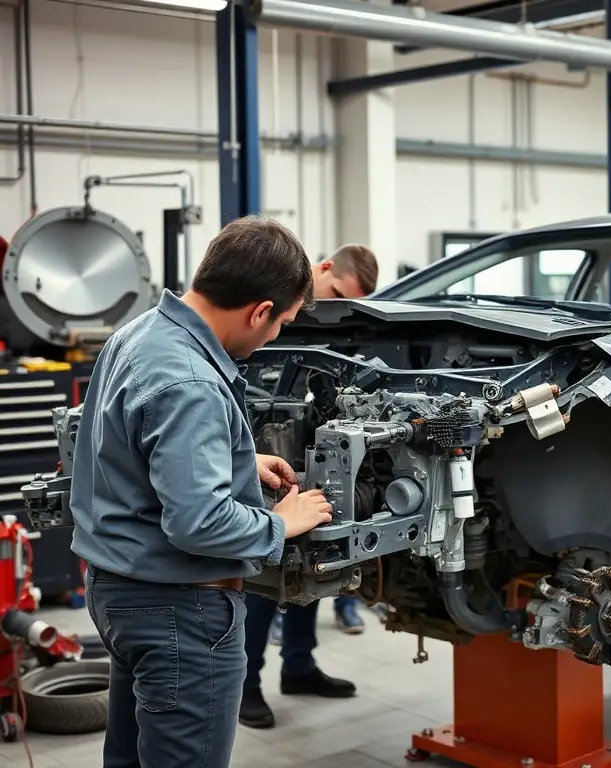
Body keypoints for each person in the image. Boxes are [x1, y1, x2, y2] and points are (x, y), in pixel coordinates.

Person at [73, 215, 334, 768]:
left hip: (118, 591)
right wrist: (282, 522)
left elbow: (122, 446)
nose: (276, 335)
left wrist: (237, 457)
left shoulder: (139, 334)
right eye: (282, 321)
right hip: (178, 609)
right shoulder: (190, 380)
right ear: (260, 310)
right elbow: (199, 522)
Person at [240, 242, 383, 729]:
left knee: (314, 560)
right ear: (323, 269)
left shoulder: (335, 323)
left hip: (311, 445)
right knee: (265, 571)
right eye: (337, 291)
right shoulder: (273, 299)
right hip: (259, 448)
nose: (338, 303)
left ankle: (298, 666)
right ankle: (246, 685)